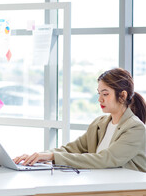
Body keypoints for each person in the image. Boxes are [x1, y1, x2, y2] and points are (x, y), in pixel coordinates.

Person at [13, 68, 146, 172]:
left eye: (105, 94)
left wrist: (52, 157)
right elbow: (72, 149)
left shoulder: (135, 128)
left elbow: (105, 159)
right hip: (103, 185)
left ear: (122, 95)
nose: (100, 99)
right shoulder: (99, 123)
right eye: (99, 93)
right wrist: (40, 156)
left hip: (128, 190)